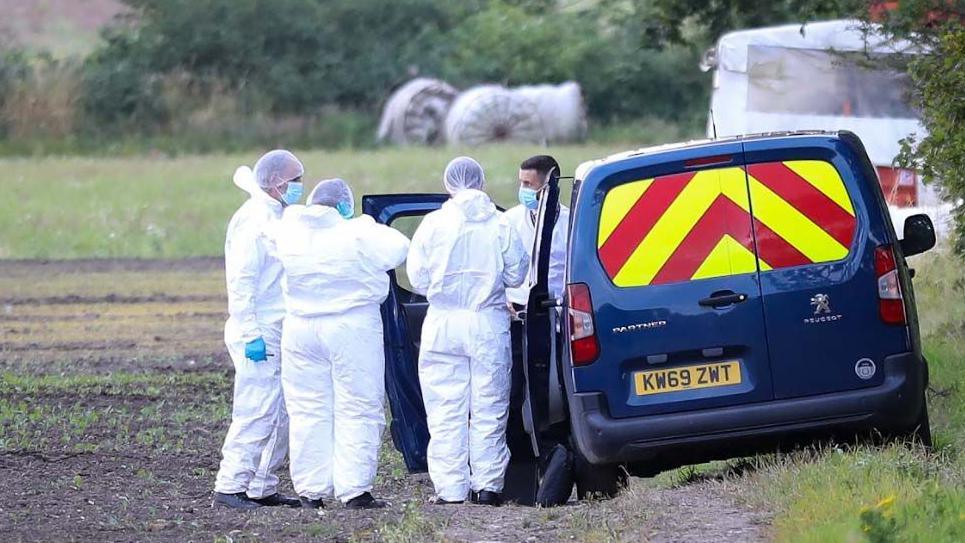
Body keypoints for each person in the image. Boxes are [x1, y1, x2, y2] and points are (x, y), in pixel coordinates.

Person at [274, 178, 410, 509]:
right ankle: (354, 490)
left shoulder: (289, 231)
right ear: (344, 206)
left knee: (307, 408)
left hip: (300, 328)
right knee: (358, 405)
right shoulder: (359, 233)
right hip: (351, 326)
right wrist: (365, 223)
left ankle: (310, 490)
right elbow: (400, 248)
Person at [406, 156, 529, 506]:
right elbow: (517, 275)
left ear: (448, 185)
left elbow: (417, 277)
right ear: (483, 183)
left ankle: (450, 489)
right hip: (487, 323)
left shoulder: (432, 224)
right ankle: (488, 486)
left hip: (443, 323)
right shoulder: (502, 223)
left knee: (445, 409)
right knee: (490, 405)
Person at [212, 150, 304, 510]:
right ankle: (230, 485)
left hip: (276, 325)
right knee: (256, 408)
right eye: (295, 181)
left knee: (279, 410)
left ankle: (261, 484)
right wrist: (251, 333)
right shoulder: (253, 221)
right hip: (258, 328)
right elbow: (242, 283)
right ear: (279, 183)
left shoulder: (274, 213)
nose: (299, 187)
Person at [505, 155, 569, 308]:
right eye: (521, 183)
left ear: (549, 184)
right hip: (516, 308)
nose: (523, 189)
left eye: (528, 184)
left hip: (555, 307)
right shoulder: (509, 220)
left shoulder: (569, 222)